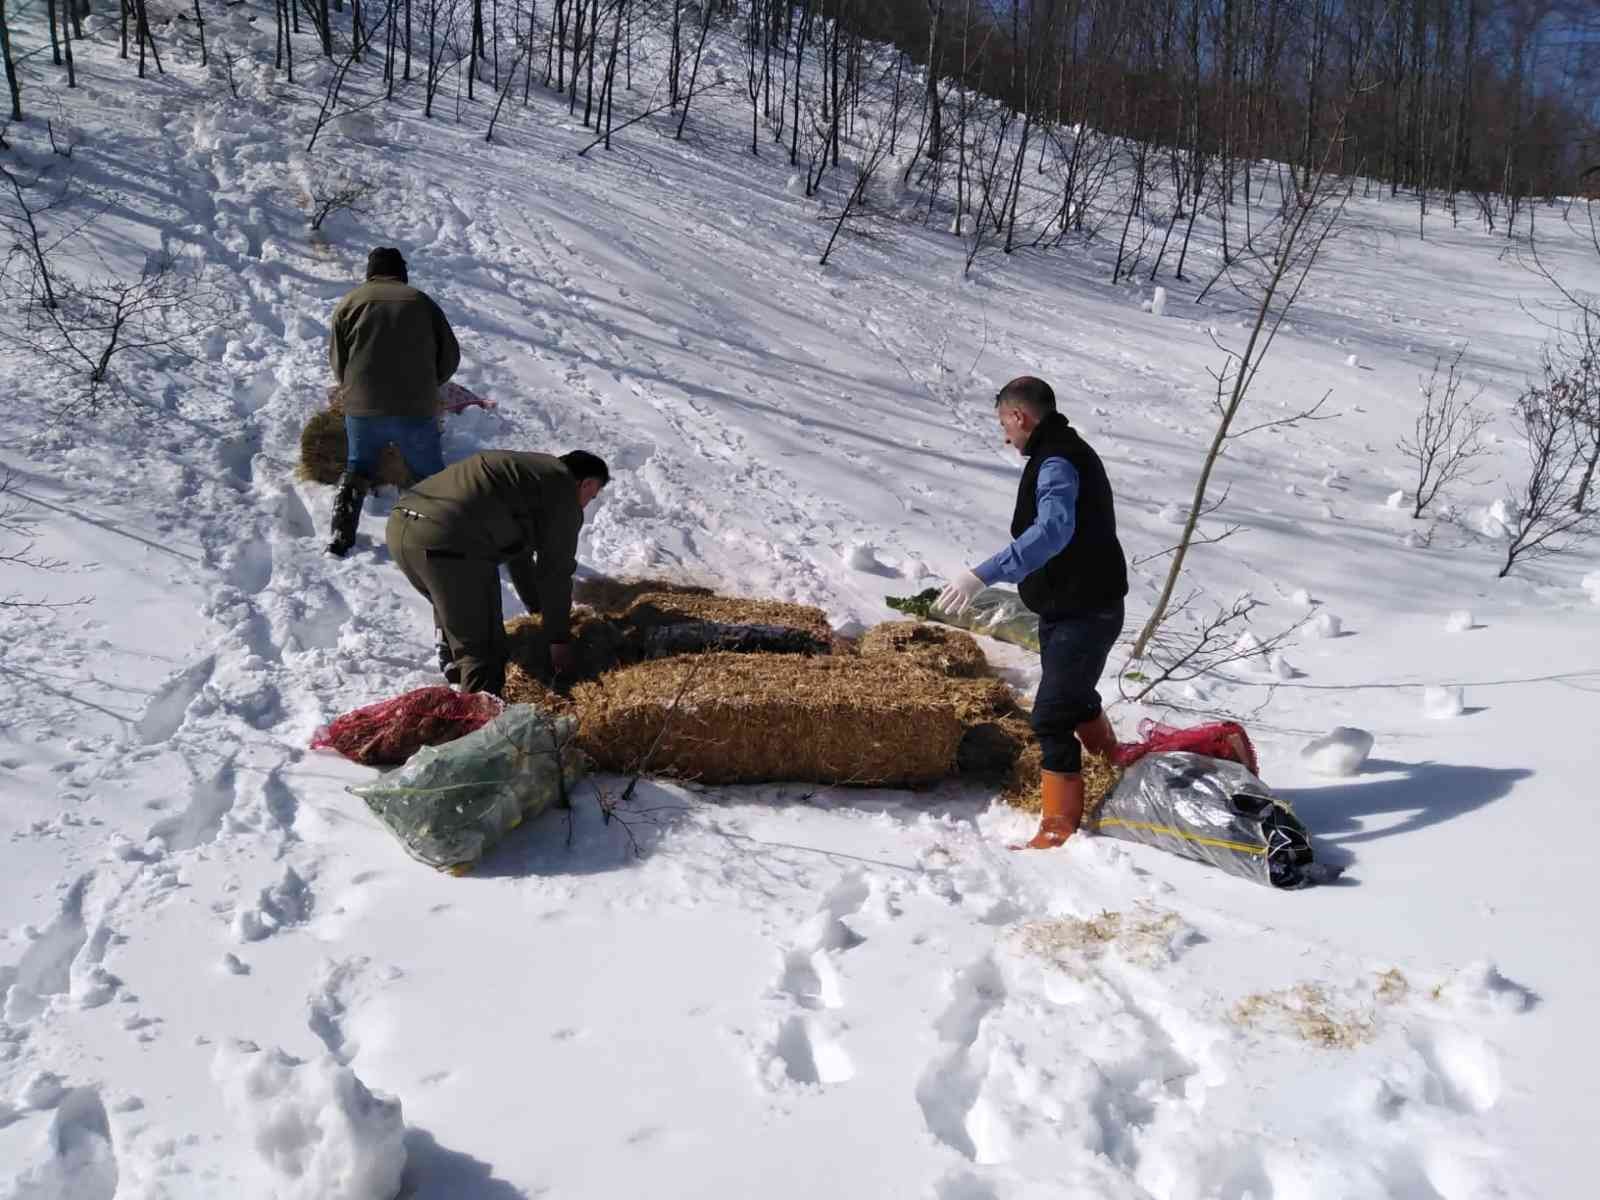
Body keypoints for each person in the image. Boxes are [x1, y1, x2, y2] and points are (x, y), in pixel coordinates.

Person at [937, 376, 1128, 850]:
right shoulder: (1062, 449)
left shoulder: (1058, 461)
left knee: (1049, 716)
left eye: (1005, 423)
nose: (1006, 434)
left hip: (1086, 611)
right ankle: (1115, 765)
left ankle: (1059, 826)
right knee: (1075, 695)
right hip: (1073, 606)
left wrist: (981, 575)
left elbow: (1053, 532)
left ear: (1019, 417)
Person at [387, 450, 610, 696]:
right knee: (486, 652)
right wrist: (558, 640)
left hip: (401, 529)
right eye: (592, 494)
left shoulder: (527, 473)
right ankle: (479, 726)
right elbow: (555, 572)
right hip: (447, 538)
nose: (588, 502)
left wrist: (537, 610)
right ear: (586, 482)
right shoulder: (563, 492)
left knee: (457, 601)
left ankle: (452, 653)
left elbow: (518, 554)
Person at [326, 246, 462, 557]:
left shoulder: (349, 303)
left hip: (362, 408)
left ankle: (340, 538)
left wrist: (354, 388)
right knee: (428, 476)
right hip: (414, 408)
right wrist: (430, 384)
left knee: (358, 467)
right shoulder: (421, 302)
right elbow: (450, 356)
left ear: (369, 272)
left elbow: (339, 362)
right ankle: (430, 539)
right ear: (402, 272)